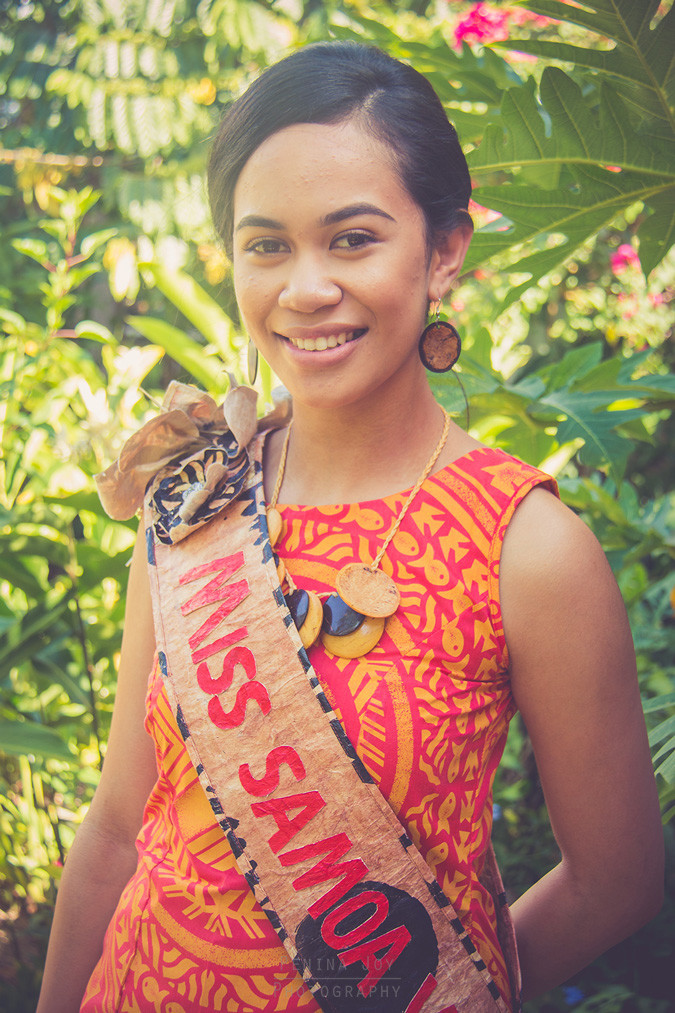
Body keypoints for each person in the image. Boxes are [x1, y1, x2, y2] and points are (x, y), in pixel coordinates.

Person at [37, 41, 663, 1013]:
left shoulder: (527, 549)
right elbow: (120, 826)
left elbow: (615, 878)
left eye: (354, 238)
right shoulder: (198, 497)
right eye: (267, 244)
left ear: (445, 249)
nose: (305, 288)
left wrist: (446, 990)